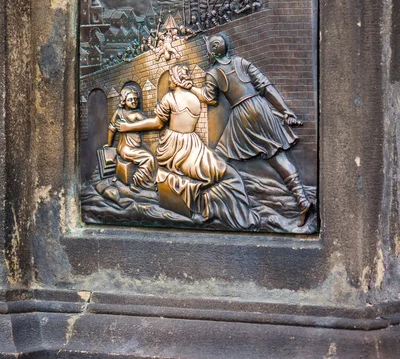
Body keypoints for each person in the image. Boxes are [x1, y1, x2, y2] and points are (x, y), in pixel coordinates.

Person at [115, 64, 258, 230]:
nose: (169, 81)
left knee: (210, 175)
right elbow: (209, 99)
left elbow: (156, 123)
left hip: (174, 149)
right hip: (194, 145)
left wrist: (128, 127)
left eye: (171, 77)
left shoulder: (170, 98)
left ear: (175, 80)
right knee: (225, 174)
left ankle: (206, 206)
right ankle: (232, 208)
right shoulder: (196, 98)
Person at [190, 34, 311, 226]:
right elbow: (266, 87)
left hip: (242, 114)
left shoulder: (213, 73)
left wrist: (192, 88)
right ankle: (302, 201)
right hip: (261, 108)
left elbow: (209, 98)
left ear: (213, 52)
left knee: (219, 156)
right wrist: (285, 110)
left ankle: (210, 207)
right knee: (277, 157)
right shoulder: (242, 62)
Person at [105, 86, 157, 190]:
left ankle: (145, 180)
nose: (134, 101)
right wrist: (109, 144)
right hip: (126, 148)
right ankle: (137, 182)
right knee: (148, 158)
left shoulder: (137, 114)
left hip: (133, 148)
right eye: (130, 99)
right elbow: (112, 128)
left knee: (149, 156)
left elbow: (148, 124)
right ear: (124, 101)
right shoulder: (120, 112)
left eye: (135, 99)